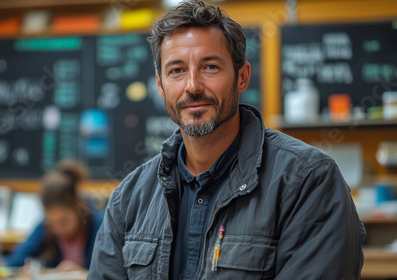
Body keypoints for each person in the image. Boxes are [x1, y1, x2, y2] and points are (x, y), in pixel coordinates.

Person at [88, 1, 365, 279]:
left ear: (242, 77)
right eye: (177, 70)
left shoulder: (308, 181)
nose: (193, 86)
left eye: (210, 67)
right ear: (160, 86)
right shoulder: (128, 198)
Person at [0, 159, 103, 272]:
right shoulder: (47, 227)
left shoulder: (101, 225)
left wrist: (84, 273)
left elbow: (116, 273)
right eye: (52, 223)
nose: (58, 229)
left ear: (79, 205)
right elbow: (16, 259)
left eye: (63, 221)